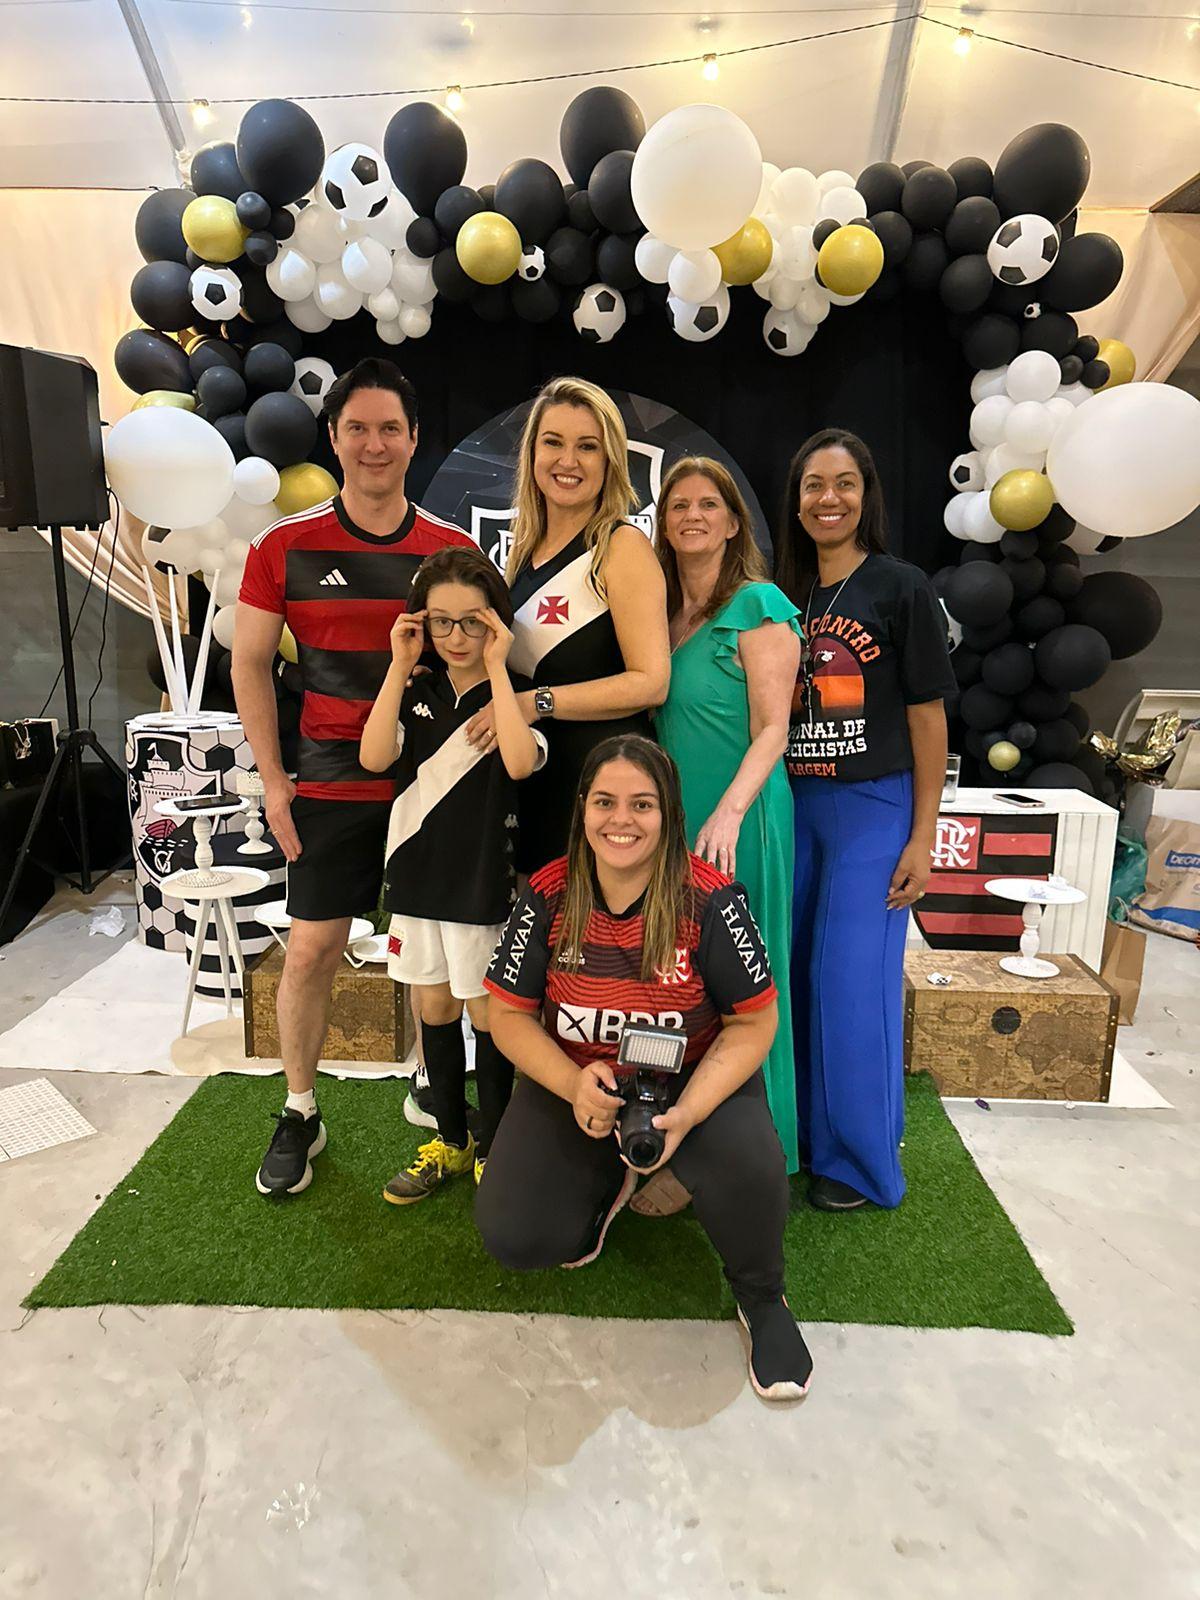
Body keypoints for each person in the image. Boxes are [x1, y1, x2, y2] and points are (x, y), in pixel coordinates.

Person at [478, 736, 813, 1402]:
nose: (621, 820)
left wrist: (687, 1115)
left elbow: (755, 1024)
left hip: (690, 1082)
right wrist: (571, 1085)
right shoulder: (547, 893)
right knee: (516, 1236)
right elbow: (505, 1016)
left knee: (749, 1165)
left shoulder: (712, 900)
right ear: (582, 808)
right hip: (583, 1079)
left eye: (642, 804)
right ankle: (609, 1185)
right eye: (605, 802)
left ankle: (762, 1296)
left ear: (669, 815)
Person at [233, 357, 475, 1198]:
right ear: (333, 439)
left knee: (440, 953)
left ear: (414, 439)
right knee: (311, 951)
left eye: (390, 429)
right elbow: (250, 663)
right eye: (359, 429)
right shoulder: (281, 545)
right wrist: (273, 780)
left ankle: (437, 1085)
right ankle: (301, 1110)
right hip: (330, 784)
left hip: (428, 785)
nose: (375, 445)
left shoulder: (451, 550)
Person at [775, 428, 954, 1213]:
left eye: (844, 483)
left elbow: (927, 716)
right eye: (814, 485)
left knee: (851, 987)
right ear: (796, 501)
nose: (829, 499)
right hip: (794, 807)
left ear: (866, 494)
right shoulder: (782, 594)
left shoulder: (899, 586)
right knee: (792, 977)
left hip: (873, 808)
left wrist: (922, 835)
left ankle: (858, 1162)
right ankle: (801, 1140)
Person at [360, 546, 547, 1200]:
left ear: (496, 622)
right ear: (421, 621)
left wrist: (498, 670)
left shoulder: (514, 693)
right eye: (442, 621)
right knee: (433, 1005)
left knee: (487, 1013)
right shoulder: (414, 686)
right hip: (415, 878)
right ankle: (450, 1137)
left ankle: (494, 1146)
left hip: (483, 884)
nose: (457, 636)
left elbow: (520, 764)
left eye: (473, 622)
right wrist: (398, 665)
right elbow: (374, 755)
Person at [653, 456, 803, 1181]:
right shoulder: (663, 615)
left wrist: (730, 813)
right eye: (679, 504)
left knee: (749, 986)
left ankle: (761, 1155)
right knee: (690, 989)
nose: (693, 515)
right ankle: (688, 1149)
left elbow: (774, 728)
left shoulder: (759, 604)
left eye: (708, 504)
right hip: (677, 823)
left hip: (741, 821)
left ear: (734, 521)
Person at [467, 377, 670, 873]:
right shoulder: (522, 555)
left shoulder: (621, 547)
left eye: (587, 447)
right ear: (532, 453)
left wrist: (536, 704)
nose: (568, 461)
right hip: (533, 783)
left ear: (610, 460)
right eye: (553, 442)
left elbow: (651, 682)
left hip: (601, 792)